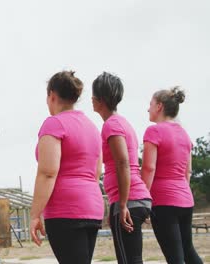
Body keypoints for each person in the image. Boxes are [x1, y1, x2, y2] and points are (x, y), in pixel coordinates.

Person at [30, 71, 104, 264]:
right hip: (92, 207)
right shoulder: (92, 127)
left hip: (66, 210)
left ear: (52, 95)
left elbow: (47, 173)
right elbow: (97, 172)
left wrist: (35, 214)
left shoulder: (54, 124)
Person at [92, 72, 151, 264]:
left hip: (129, 200)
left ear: (100, 100)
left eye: (93, 96)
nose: (91, 99)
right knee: (133, 259)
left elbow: (123, 163)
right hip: (132, 199)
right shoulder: (122, 122)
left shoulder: (111, 125)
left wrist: (123, 204)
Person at [141, 87, 203, 263]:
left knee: (175, 257)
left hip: (164, 201)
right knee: (188, 251)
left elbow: (149, 168)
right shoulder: (184, 134)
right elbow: (187, 172)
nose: (148, 109)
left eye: (150, 104)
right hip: (185, 200)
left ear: (159, 106)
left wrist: (143, 198)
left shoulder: (153, 131)